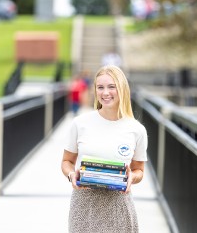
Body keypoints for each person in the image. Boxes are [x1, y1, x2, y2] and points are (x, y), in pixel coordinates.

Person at [61, 65, 148, 232]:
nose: (105, 93)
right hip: (84, 207)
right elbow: (66, 161)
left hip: (118, 207)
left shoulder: (137, 130)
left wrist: (132, 177)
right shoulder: (80, 123)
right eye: (100, 87)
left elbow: (139, 171)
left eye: (111, 87)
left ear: (121, 88)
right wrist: (72, 175)